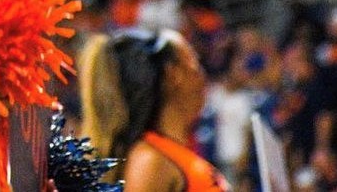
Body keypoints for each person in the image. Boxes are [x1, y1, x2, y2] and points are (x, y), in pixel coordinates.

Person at [80, 29, 230, 192]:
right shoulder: (150, 161)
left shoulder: (171, 153)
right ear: (173, 74)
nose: (202, 75)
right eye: (194, 61)